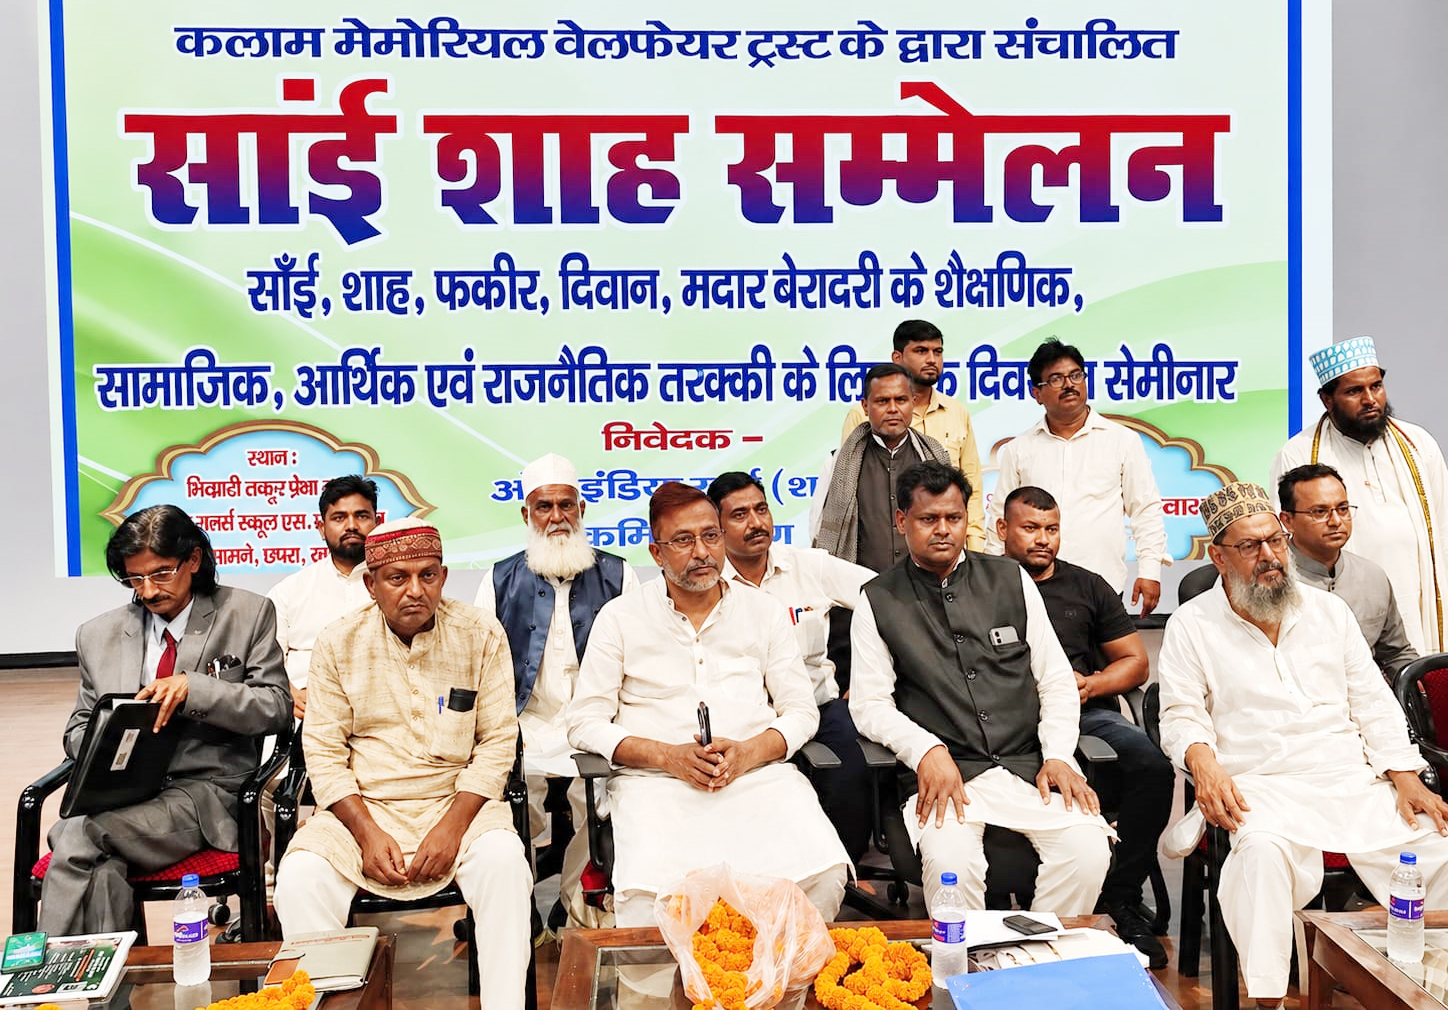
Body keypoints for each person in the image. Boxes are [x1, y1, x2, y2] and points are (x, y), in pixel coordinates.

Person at [1158, 481, 1448, 1008]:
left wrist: (1405, 776)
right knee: (1261, 856)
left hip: (1349, 780)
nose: (1270, 556)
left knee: (1438, 844)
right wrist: (1203, 763)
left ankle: (1427, 988)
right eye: (1250, 546)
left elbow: (1372, 701)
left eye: (1275, 541)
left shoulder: (1328, 612)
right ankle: (1268, 999)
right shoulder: (1191, 625)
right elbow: (1180, 713)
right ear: (1219, 557)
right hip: (1260, 786)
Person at [566, 482, 851, 928]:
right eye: (683, 540)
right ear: (656, 553)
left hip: (758, 779)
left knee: (824, 875)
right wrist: (666, 756)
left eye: (711, 536)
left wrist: (750, 752)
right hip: (656, 787)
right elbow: (583, 722)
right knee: (652, 902)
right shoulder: (620, 617)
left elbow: (801, 711)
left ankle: (775, 971)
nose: (701, 552)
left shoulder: (764, 611)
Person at [273, 518, 530, 1009]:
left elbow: (499, 741)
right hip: (363, 808)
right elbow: (323, 752)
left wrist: (452, 827)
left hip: (459, 804)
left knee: (504, 865)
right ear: (371, 585)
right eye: (398, 578)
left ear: (444, 576)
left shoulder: (480, 633)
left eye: (428, 575)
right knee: (301, 878)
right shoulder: (338, 641)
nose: (415, 590)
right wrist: (367, 833)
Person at [850, 461, 1112, 914]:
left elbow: (1054, 679)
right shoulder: (878, 599)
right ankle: (967, 960)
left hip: (1029, 769)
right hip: (946, 776)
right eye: (928, 519)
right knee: (951, 866)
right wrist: (926, 751)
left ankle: (1038, 953)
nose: (943, 530)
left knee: (1088, 853)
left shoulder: (1011, 579)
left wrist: (1057, 754)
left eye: (953, 518)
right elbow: (870, 704)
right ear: (901, 521)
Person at [39, 505, 291, 934]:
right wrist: (109, 742)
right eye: (134, 579)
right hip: (123, 795)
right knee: (100, 867)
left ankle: (44, 966)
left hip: (206, 795)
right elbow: (78, 726)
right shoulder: (97, 634)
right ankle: (110, 978)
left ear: (193, 560)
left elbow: (276, 707)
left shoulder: (246, 613)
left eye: (160, 574)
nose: (148, 591)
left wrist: (197, 690)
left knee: (75, 835)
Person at [996, 485, 1172, 967]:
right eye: (1030, 528)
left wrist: (1091, 684)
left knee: (1152, 767)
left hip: (1084, 712)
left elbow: (1135, 663)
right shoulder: (981, 584)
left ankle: (1120, 896)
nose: (1043, 539)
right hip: (1003, 720)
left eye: (1051, 529)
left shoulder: (1087, 585)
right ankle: (998, 909)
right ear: (1003, 529)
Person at [473, 453, 638, 923]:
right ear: (526, 514)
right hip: (525, 722)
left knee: (603, 801)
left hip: (598, 721)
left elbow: (639, 657)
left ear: (581, 509)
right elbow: (480, 663)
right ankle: (515, 909)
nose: (557, 517)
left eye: (566, 505)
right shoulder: (499, 579)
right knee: (509, 802)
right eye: (544, 507)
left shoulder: (619, 574)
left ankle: (577, 910)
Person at [707, 470, 874, 862]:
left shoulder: (808, 566)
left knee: (852, 769)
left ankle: (844, 871)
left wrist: (871, 679)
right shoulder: (707, 581)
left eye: (761, 509)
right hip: (747, 717)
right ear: (717, 528)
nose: (756, 523)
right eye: (740, 515)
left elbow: (888, 599)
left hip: (820, 705)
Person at [1271, 335, 1448, 652]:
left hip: (1418, 596)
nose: (1370, 399)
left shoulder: (1418, 444)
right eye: (1354, 391)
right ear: (1327, 400)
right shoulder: (1299, 453)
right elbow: (1287, 541)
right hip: (1339, 604)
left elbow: (1443, 526)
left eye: (1376, 386)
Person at [985, 338, 1168, 616]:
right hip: (1034, 586)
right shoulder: (1019, 449)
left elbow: (1145, 509)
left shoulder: (1122, 440)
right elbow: (1001, 517)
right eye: (1056, 379)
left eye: (1076, 375)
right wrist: (991, 576)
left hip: (1102, 584)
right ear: (1037, 393)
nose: (1069, 384)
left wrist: (1150, 570)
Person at [837, 320, 987, 549]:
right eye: (921, 351)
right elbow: (847, 488)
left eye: (937, 352)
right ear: (897, 357)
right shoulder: (864, 415)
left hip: (943, 550)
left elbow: (972, 489)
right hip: (878, 550)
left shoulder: (957, 412)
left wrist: (974, 549)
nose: (932, 359)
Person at [1278, 463, 1418, 680]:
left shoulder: (1372, 577)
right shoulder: (1270, 581)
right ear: (1287, 521)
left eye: (1343, 509)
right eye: (1320, 512)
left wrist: (1417, 681)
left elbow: (1395, 654)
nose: (1336, 521)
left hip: (1366, 695)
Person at [813, 362, 951, 572]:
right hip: (859, 585)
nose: (893, 409)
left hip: (924, 584)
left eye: (901, 400)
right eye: (882, 401)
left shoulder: (934, 458)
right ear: (865, 406)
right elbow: (818, 529)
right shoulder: (838, 462)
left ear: (913, 403)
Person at [267, 475, 378, 720]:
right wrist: (288, 693)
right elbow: (265, 660)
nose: (351, 525)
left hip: (378, 716)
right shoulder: (289, 591)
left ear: (377, 523)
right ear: (321, 528)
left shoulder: (397, 588)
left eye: (361, 516)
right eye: (339, 517)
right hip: (305, 717)